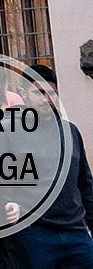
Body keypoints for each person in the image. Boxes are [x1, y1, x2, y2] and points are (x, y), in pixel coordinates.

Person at [10, 64, 93, 268]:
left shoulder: (70, 132)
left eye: (52, 93)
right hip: (36, 235)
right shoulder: (8, 132)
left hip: (77, 233)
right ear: (23, 93)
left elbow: (85, 184)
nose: (46, 99)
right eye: (39, 93)